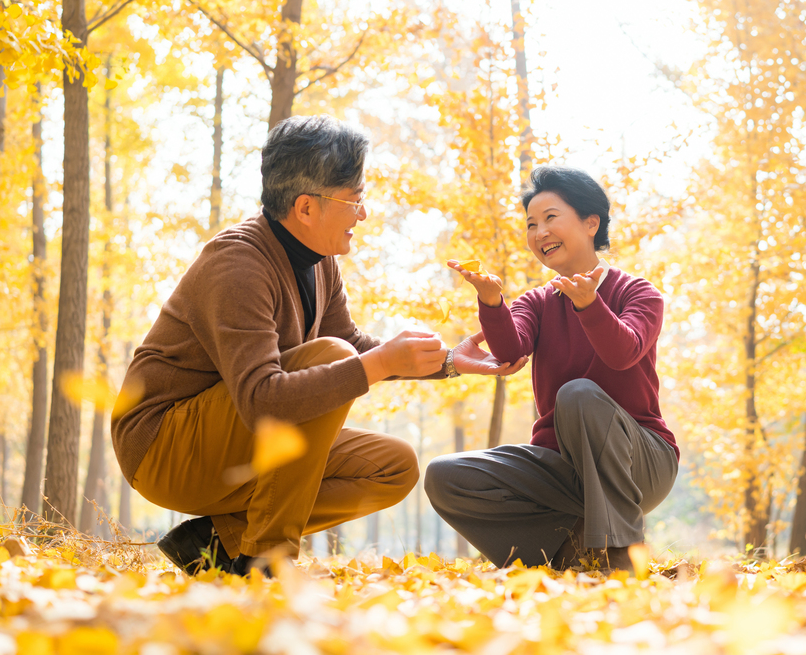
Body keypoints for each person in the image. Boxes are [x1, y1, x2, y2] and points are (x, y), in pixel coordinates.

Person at [112, 115, 525, 576]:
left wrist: (448, 361)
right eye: (354, 200)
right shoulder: (237, 265)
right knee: (334, 360)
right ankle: (265, 559)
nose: (363, 214)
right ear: (306, 207)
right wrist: (378, 362)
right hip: (165, 447)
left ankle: (214, 541)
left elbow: (351, 342)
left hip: (234, 438)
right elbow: (263, 400)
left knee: (393, 467)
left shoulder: (320, 261)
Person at [424, 166, 678, 572]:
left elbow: (623, 352)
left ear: (591, 222)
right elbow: (511, 353)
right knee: (445, 475)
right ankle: (563, 555)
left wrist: (589, 306)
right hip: (561, 470)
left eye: (550, 218)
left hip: (640, 462)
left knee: (577, 394)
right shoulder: (537, 302)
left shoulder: (638, 293)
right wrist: (492, 302)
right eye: (531, 224)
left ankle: (621, 555)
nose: (539, 232)